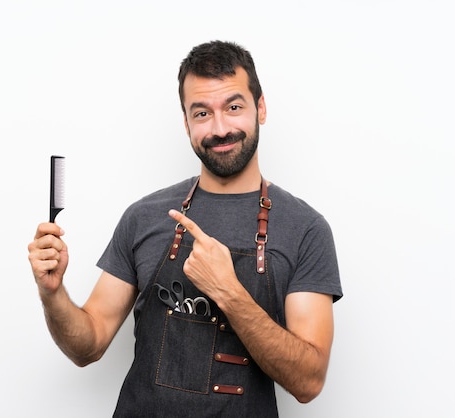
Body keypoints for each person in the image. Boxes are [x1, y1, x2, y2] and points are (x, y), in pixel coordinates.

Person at [28, 40, 343, 417]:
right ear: (186, 122)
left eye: (234, 107)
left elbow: (309, 382)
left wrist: (229, 293)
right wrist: (53, 293)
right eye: (202, 113)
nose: (220, 128)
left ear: (260, 108)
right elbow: (88, 345)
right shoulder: (143, 217)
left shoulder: (306, 230)